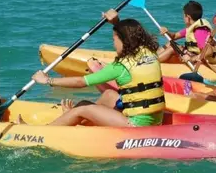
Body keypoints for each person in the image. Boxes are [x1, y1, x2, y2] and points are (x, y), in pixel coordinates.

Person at [30, 10, 166, 127]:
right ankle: (72, 121)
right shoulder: (149, 52)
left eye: (114, 40)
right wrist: (116, 22)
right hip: (155, 119)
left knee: (82, 109)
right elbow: (129, 34)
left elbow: (81, 82)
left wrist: (48, 80)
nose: (113, 44)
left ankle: (46, 131)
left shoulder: (120, 66)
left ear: (123, 40)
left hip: (135, 124)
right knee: (108, 95)